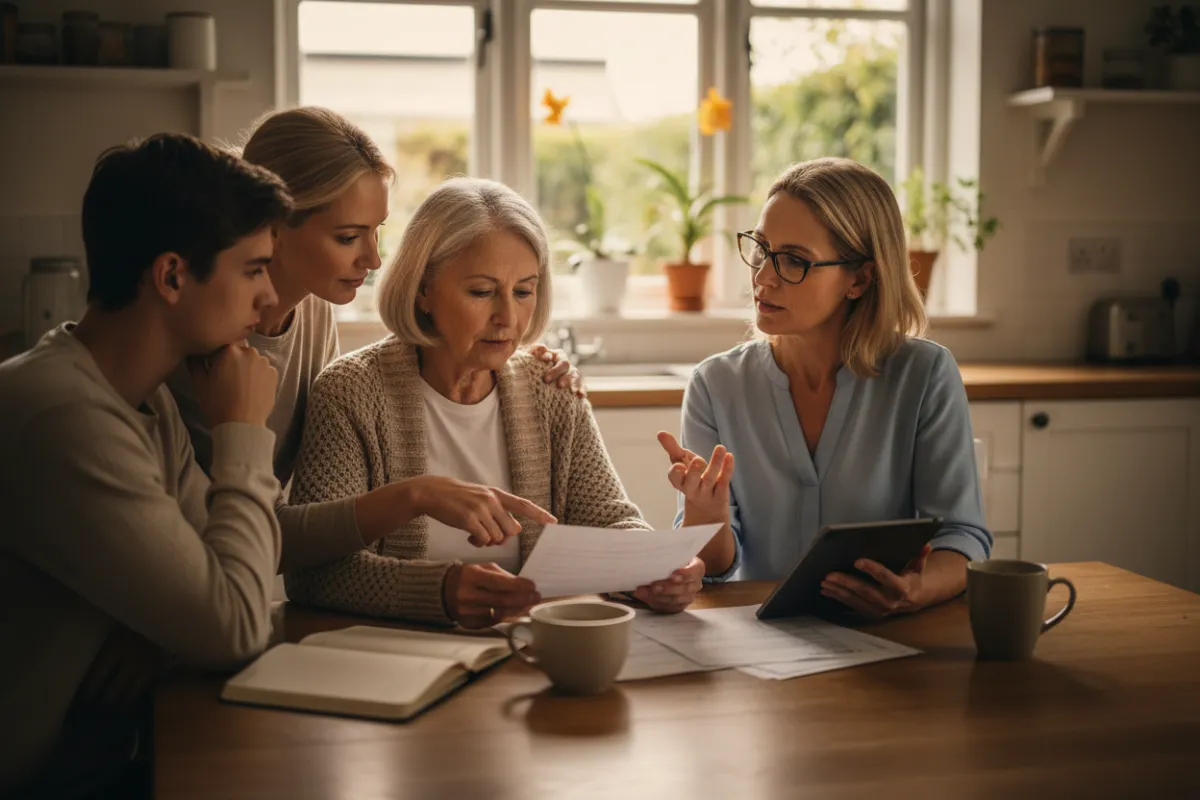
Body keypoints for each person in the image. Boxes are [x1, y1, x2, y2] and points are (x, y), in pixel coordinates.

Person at [165, 106, 584, 575]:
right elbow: (234, 531)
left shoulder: (315, 310)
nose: (375, 259)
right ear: (272, 227)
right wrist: (414, 496)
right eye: (348, 237)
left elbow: (287, 517)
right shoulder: (200, 336)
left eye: (377, 231)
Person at [0, 133, 291, 796]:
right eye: (253, 270)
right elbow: (236, 625)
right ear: (170, 276)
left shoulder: (144, 400)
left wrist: (158, 633)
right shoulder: (62, 417)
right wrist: (244, 430)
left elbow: (233, 576)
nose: (270, 299)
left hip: (90, 759)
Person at [284, 177, 704, 628]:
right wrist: (440, 591)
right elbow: (313, 574)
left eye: (523, 291)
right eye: (482, 292)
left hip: (525, 655)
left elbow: (608, 522)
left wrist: (656, 570)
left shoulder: (551, 389)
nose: (507, 318)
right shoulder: (349, 391)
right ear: (422, 289)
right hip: (392, 663)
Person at [663, 156, 991, 618]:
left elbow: (962, 537)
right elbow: (716, 566)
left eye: (794, 260)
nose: (763, 276)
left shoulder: (924, 375)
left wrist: (914, 590)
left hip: (887, 639)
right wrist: (705, 515)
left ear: (859, 278)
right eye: (761, 248)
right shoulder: (715, 385)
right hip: (758, 642)